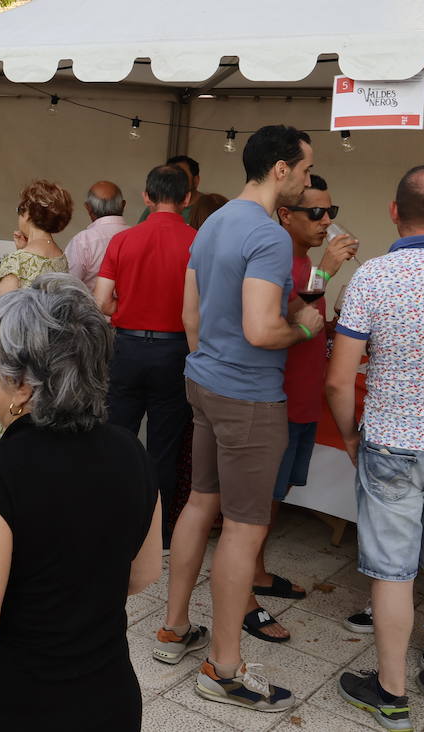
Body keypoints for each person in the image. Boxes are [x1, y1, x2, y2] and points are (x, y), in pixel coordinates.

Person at [0, 274, 162, 731]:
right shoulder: (131, 452)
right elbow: (142, 573)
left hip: (8, 705)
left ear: (21, 383)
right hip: (106, 700)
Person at [156, 124, 321, 714]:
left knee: (201, 502)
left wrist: (208, 365)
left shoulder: (214, 223)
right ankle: (224, 667)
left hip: (203, 382)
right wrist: (306, 325)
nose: (307, 180)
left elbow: (190, 313)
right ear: (280, 169)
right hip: (249, 398)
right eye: (304, 170)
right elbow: (261, 328)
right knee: (245, 528)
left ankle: (174, 628)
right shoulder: (269, 237)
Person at [331, 165, 424, 729]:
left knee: (392, 574)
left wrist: (349, 434)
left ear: (393, 211)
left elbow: (339, 380)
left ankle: (391, 692)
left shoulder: (373, 278)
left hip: (389, 443)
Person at [239, 175, 359, 638]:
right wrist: (327, 269)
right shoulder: (279, 260)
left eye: (331, 211)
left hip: (305, 399)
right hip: (277, 401)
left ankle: (258, 570)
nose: (326, 221)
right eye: (316, 213)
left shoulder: (305, 261)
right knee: (258, 502)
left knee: (276, 496)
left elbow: (308, 323)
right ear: (285, 215)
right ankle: (245, 586)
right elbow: (285, 313)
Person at [93, 163, 196, 546]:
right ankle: (160, 532)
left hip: (128, 347)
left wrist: (125, 306)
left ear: (146, 197)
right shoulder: (197, 240)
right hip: (175, 351)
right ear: (187, 198)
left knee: (117, 438)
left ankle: (111, 519)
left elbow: (101, 300)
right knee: (164, 446)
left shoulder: (123, 240)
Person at [0, 179, 71, 440]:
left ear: (29, 214)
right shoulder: (59, 256)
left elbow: (1, 320)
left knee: (8, 432)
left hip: (12, 361)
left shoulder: (16, 262)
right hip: (44, 356)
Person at [63, 180, 128, 291]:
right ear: (123, 205)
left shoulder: (82, 241)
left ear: (88, 208)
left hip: (92, 307)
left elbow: (67, 287)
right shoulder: (138, 236)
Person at [141, 154, 203, 225]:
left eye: (181, 175)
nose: (173, 181)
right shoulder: (155, 205)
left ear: (195, 180)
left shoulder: (207, 207)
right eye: (168, 177)